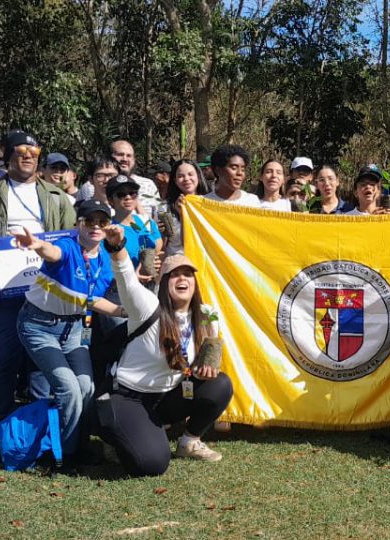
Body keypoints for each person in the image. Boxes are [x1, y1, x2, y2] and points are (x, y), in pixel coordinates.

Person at [96, 227, 233, 476]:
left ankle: (189, 441)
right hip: (130, 396)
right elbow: (127, 281)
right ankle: (116, 433)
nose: (182, 280)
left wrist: (205, 370)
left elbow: (208, 352)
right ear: (163, 282)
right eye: (174, 275)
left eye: (188, 275)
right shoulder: (147, 307)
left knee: (221, 385)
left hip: (168, 395)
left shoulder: (208, 313)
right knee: (152, 464)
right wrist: (117, 248)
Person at [0, 130, 76, 468]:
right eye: (20, 150)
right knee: (5, 360)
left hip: (45, 293)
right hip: (5, 291)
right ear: (7, 154)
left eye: (34, 150)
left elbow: (70, 244)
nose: (28, 155)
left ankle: (39, 434)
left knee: (41, 364)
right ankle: (2, 434)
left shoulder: (57, 196)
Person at [13, 200, 123, 462]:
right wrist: (37, 245)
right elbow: (51, 252)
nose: (95, 226)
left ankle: (80, 446)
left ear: (108, 226)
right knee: (69, 389)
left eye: (102, 222)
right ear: (79, 223)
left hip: (75, 328)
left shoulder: (104, 261)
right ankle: (65, 456)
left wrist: (127, 312)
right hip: (38, 326)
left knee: (86, 386)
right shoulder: (67, 245)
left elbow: (93, 300)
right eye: (89, 221)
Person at [107, 175, 163, 281]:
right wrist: (132, 277)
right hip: (121, 290)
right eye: (121, 194)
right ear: (110, 200)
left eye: (132, 193)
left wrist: (157, 261)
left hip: (151, 287)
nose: (128, 197)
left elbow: (159, 250)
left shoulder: (146, 221)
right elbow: (104, 265)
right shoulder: (109, 230)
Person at [164, 160, 211, 257]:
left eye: (190, 174)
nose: (186, 179)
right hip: (177, 265)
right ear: (175, 180)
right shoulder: (165, 208)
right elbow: (162, 245)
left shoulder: (211, 204)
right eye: (181, 176)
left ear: (198, 176)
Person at [111, 140, 161, 217]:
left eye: (129, 156)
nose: (124, 159)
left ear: (134, 160)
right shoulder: (99, 184)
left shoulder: (148, 184)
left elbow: (159, 217)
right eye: (120, 154)